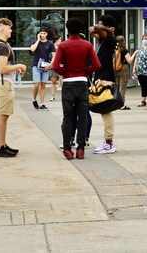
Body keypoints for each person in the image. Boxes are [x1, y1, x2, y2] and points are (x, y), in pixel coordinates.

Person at [52, 17, 100, 160]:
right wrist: (85, 71)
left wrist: (65, 72)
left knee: (68, 116)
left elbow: (55, 66)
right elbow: (97, 65)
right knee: (83, 116)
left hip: (68, 83)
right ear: (81, 29)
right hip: (82, 82)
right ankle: (80, 148)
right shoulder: (87, 45)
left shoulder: (63, 46)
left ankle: (67, 148)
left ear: (67, 29)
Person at [0, 18, 26, 158]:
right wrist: (19, 66)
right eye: (8, 28)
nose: (11, 30)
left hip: (4, 83)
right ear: (1, 29)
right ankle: (0, 147)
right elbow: (2, 68)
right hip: (3, 83)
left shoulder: (0, 45)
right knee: (1, 116)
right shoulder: (2, 47)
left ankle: (2, 144)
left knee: (3, 116)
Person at [90, 15, 118, 154]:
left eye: (101, 24)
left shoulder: (109, 39)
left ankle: (109, 142)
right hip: (101, 77)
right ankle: (108, 141)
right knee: (104, 111)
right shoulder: (103, 40)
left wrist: (107, 29)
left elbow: (97, 28)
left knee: (106, 111)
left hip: (105, 78)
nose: (97, 26)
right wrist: (105, 28)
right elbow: (92, 29)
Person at [30, 29, 55, 110]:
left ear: (46, 34)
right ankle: (34, 99)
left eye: (44, 33)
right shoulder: (35, 42)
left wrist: (50, 65)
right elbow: (32, 49)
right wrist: (38, 39)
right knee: (36, 84)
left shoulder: (50, 43)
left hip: (45, 66)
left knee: (43, 85)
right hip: (36, 65)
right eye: (41, 33)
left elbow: (54, 55)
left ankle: (42, 103)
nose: (42, 35)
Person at [115, 36, 131, 111]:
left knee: (117, 87)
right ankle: (121, 104)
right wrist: (135, 53)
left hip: (115, 69)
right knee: (122, 87)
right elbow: (129, 60)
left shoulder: (115, 50)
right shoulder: (124, 51)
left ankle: (116, 103)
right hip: (123, 69)